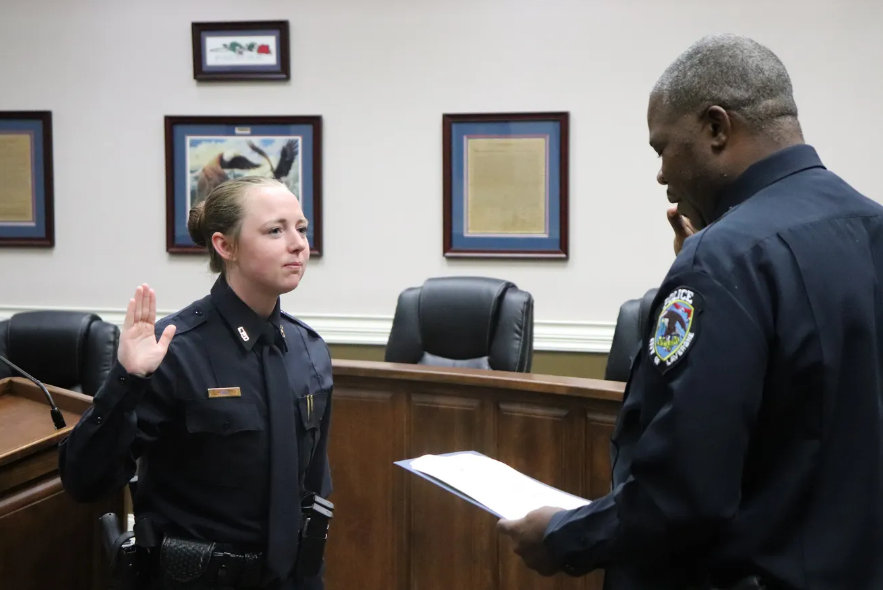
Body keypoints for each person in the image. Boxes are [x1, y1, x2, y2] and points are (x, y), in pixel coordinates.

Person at [497, 33, 883, 590]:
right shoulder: (869, 227)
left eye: (662, 148)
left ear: (717, 128)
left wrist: (563, 536)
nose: (660, 174)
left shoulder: (724, 259)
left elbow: (685, 491)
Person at [58, 175, 334, 590]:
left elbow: (314, 488)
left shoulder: (308, 349)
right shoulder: (173, 350)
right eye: (275, 230)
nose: (297, 243)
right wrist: (126, 380)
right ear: (226, 246)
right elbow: (85, 480)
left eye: (301, 228)